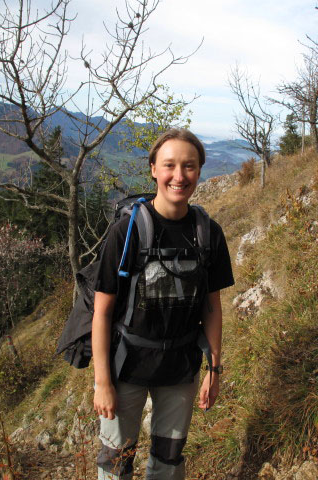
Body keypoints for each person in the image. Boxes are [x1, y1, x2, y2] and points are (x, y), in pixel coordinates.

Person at [92, 128, 234, 479]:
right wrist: (102, 382)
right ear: (153, 168)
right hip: (127, 367)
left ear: (199, 171)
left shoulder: (208, 233)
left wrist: (214, 369)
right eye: (169, 165)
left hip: (180, 367)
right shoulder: (126, 232)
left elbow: (212, 307)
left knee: (169, 459)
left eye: (189, 166)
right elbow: (102, 311)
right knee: (115, 461)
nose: (179, 175)